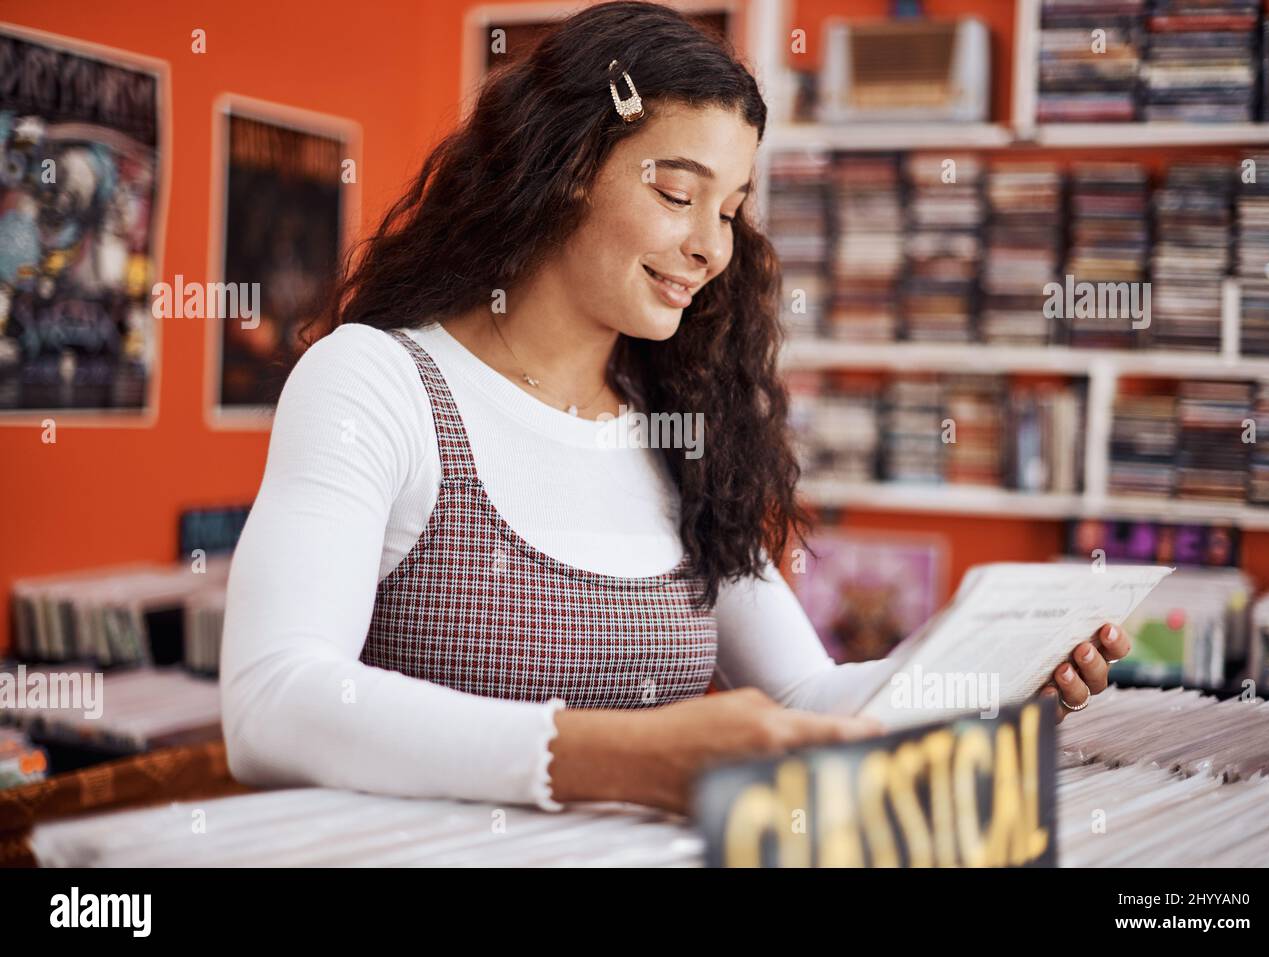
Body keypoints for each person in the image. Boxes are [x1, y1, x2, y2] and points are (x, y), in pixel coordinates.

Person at [219, 1, 1131, 816]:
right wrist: (620, 756)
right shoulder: (376, 382)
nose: (709, 247)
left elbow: (804, 698)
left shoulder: (678, 429)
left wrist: (986, 671)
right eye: (675, 192)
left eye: (730, 209)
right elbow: (275, 702)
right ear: (563, 166)